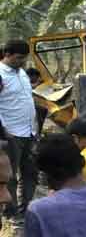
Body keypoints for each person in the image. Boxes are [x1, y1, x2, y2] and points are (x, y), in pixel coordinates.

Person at [0, 40, 38, 220]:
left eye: (24, 58)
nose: (22, 62)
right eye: (19, 58)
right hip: (11, 133)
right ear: (7, 54)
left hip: (29, 132)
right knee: (10, 176)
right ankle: (11, 213)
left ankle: (27, 208)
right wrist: (4, 130)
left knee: (30, 171)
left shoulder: (21, 72)